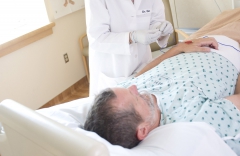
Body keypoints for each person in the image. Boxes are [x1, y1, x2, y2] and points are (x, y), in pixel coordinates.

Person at [84, 32, 240, 154]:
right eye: (136, 98)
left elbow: (138, 77)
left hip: (193, 44)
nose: (134, 88)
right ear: (143, 130)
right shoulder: (194, 119)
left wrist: (178, 48)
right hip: (229, 48)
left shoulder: (125, 97)